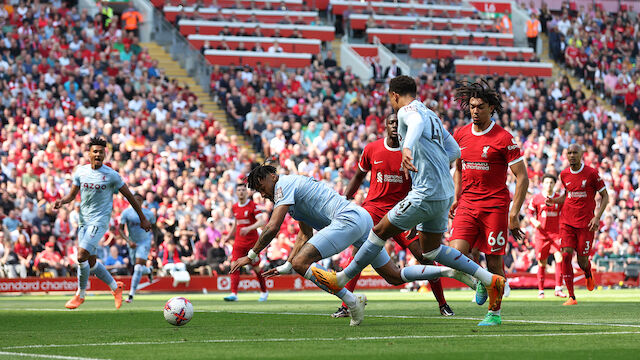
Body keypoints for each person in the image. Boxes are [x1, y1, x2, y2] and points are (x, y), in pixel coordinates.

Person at [232, 165, 474, 326]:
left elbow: (273, 227)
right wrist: (287, 266)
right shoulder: (288, 191)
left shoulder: (284, 185)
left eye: (261, 188)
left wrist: (252, 255)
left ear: (271, 177)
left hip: (347, 220)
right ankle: (449, 271)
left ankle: (352, 301)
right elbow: (304, 235)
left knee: (301, 262)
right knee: (394, 276)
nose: (263, 195)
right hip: (360, 219)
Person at [330, 114, 454, 319]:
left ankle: (443, 303)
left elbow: (420, 187)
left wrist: (419, 218)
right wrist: (344, 200)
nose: (396, 126)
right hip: (373, 210)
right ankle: (346, 305)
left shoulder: (413, 152)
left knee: (424, 255)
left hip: (403, 211)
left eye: (399, 123)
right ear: (385, 126)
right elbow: (358, 177)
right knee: (359, 254)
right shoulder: (372, 149)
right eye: (392, 123)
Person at [450, 80, 529, 326]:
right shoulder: (460, 134)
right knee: (454, 256)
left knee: (494, 261)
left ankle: (494, 314)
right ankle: (481, 281)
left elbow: (522, 177)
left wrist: (514, 214)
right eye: (472, 106)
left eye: (480, 107)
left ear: (491, 108)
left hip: (495, 205)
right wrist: (456, 196)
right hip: (467, 203)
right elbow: (459, 169)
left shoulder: (504, 138)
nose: (475, 111)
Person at [55, 137, 151, 310]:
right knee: (90, 262)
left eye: (101, 151)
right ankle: (116, 287)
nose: (98, 154)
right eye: (95, 151)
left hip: (99, 221)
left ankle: (80, 294)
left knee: (80, 255)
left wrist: (143, 217)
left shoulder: (112, 175)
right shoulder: (81, 172)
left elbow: (129, 196)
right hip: (83, 221)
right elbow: (72, 195)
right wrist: (62, 201)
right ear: (89, 153)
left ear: (105, 154)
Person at [546, 144, 609, 306]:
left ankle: (588, 273)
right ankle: (571, 296)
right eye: (569, 153)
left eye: (575, 152)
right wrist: (554, 200)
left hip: (586, 224)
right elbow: (567, 197)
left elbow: (605, 196)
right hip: (567, 222)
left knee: (582, 261)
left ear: (582, 154)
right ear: (566, 156)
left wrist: (597, 217)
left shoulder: (591, 173)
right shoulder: (564, 174)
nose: (572, 155)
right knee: (566, 255)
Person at [223, 178, 269, 302]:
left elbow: (262, 221)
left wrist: (249, 228)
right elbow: (236, 224)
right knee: (234, 265)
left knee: (256, 268)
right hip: (238, 243)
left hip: (252, 244)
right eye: (239, 190)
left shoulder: (253, 206)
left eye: (243, 190)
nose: (241, 192)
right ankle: (234, 294)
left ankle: (264, 291)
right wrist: (229, 236)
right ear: (236, 193)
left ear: (246, 192)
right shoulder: (234, 207)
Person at [527, 174, 567, 299]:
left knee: (559, 258)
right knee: (542, 262)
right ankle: (541, 290)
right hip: (541, 235)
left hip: (556, 234)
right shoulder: (536, 198)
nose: (549, 184)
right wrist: (534, 222)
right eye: (546, 182)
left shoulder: (558, 198)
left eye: (551, 182)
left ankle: (558, 289)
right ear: (542, 184)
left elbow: (565, 213)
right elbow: (529, 214)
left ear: (554, 184)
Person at [119, 193, 156, 303]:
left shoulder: (148, 214)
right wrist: (128, 241)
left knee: (138, 268)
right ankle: (149, 270)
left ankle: (131, 295)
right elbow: (120, 229)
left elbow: (156, 228)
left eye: (139, 200)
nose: (137, 202)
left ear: (142, 202)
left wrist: (156, 242)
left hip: (144, 242)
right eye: (135, 200)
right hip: (132, 243)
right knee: (137, 267)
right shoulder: (126, 213)